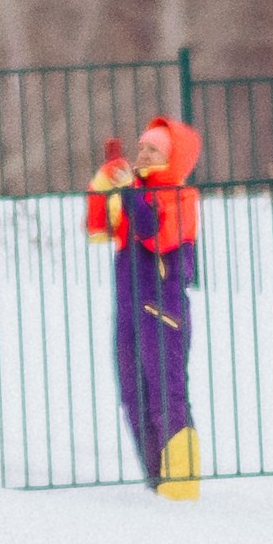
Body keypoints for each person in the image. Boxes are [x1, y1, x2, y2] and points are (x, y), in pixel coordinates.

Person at [86, 116, 203, 498]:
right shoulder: (134, 190)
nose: (143, 154)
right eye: (142, 147)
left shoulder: (181, 196)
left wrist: (131, 194)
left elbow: (154, 235)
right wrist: (102, 188)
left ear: (173, 157)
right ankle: (155, 478)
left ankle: (181, 485)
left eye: (152, 149)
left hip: (163, 311)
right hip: (128, 310)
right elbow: (99, 230)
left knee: (166, 393)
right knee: (132, 393)